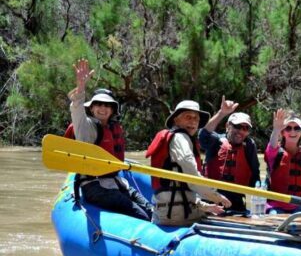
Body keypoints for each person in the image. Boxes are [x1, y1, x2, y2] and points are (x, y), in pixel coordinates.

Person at [65, 58, 153, 221]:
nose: (102, 108)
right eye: (98, 104)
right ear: (91, 107)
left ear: (112, 110)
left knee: (151, 211)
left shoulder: (113, 128)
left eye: (107, 106)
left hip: (116, 183)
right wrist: (81, 86)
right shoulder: (86, 127)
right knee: (140, 215)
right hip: (95, 187)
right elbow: (77, 110)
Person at [146, 100, 231, 226]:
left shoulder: (180, 138)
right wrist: (216, 196)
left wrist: (205, 206)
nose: (193, 121)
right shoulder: (180, 138)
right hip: (176, 215)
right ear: (176, 120)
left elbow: (183, 185)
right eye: (188, 117)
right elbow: (192, 177)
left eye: (196, 118)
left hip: (174, 209)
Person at [199, 96, 260, 213]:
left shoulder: (249, 145)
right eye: (237, 126)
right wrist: (222, 113)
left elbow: (255, 175)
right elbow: (203, 136)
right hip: (211, 201)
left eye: (246, 128)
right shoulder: (215, 141)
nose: (241, 131)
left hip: (236, 203)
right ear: (228, 126)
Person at [264, 109, 301, 213]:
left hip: (300, 206)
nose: (292, 132)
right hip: (276, 206)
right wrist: (276, 129)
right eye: (288, 128)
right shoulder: (276, 152)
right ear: (283, 132)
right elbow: (272, 147)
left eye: (297, 128)